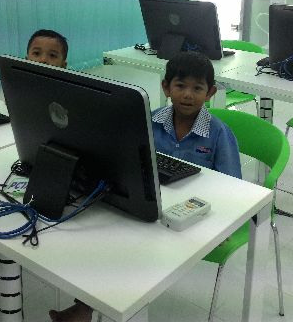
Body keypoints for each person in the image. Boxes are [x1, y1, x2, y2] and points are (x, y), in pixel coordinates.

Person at [49, 52, 241, 322]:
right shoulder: (150, 119)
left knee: (131, 247)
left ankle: (90, 308)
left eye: (197, 88)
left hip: (192, 214)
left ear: (210, 93)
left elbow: (233, 187)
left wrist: (223, 226)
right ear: (166, 88)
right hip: (154, 202)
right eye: (180, 86)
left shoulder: (218, 133)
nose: (188, 95)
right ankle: (88, 305)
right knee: (109, 235)